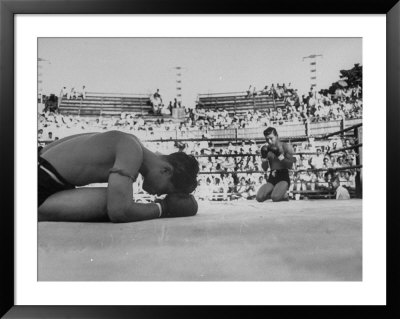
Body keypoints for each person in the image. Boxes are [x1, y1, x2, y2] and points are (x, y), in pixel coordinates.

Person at [38, 131, 199, 223]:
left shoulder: (130, 141)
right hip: (40, 181)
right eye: (165, 190)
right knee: (112, 200)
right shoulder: (131, 149)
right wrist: (164, 208)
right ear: (166, 171)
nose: (158, 194)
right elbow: (119, 212)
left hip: (43, 175)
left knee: (114, 197)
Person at [256, 127, 296, 202]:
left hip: (283, 178)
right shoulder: (267, 148)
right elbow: (265, 168)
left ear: (277, 136)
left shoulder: (286, 146)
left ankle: (283, 194)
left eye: (271, 138)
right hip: (272, 179)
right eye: (267, 139)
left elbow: (290, 165)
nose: (269, 141)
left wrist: (279, 155)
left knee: (275, 197)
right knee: (259, 197)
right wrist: (264, 158)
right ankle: (275, 191)